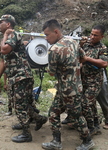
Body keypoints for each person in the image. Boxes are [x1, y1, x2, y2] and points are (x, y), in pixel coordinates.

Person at [41, 19, 94, 150]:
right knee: (53, 113)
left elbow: (52, 73)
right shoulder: (73, 41)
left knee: (76, 116)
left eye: (47, 35)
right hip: (73, 88)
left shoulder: (54, 50)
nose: (46, 38)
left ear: (56, 31)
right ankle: (56, 142)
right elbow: (83, 58)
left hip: (68, 91)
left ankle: (88, 141)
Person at [0, 14, 47, 143]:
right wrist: (3, 39)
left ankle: (26, 133)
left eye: (0, 22)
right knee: (20, 103)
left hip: (21, 76)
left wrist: (5, 36)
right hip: (18, 76)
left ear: (8, 24)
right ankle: (38, 119)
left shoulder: (13, 35)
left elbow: (5, 50)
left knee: (19, 105)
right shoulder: (8, 37)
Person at [79, 25, 108, 135]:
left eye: (95, 35)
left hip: (95, 81)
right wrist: (81, 45)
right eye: (91, 34)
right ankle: (96, 122)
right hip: (83, 79)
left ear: (102, 36)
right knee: (90, 104)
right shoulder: (86, 45)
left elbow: (104, 63)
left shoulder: (103, 48)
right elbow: (76, 54)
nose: (92, 36)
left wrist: (87, 59)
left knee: (86, 103)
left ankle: (92, 127)